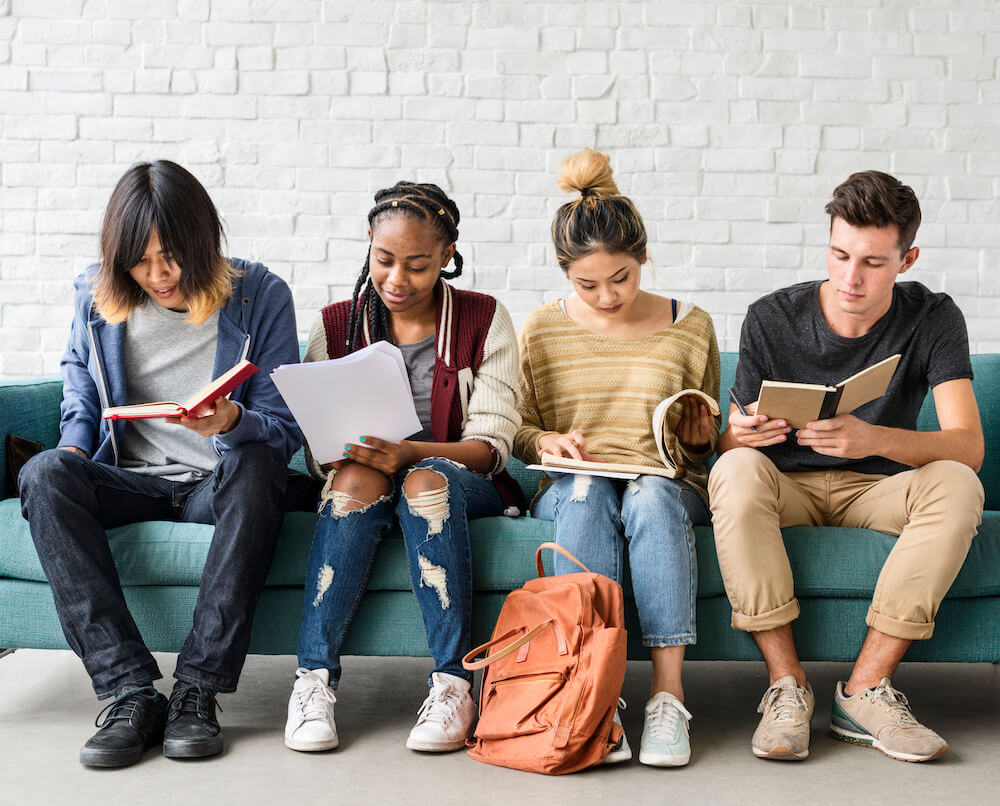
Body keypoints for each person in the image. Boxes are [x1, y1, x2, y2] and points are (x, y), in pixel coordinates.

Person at [18, 160, 302, 767]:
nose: (158, 275)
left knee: (257, 465)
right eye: (140, 261)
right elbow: (79, 384)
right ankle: (128, 690)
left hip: (215, 482)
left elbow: (284, 431)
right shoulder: (96, 293)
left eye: (171, 256)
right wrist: (73, 444)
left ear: (203, 241)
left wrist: (231, 422)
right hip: (128, 478)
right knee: (44, 474)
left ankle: (197, 689)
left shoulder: (261, 294)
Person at [711, 170, 985, 763]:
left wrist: (872, 438)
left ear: (907, 258)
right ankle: (786, 686)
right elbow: (731, 452)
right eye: (839, 254)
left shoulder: (933, 317)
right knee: (732, 472)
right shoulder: (771, 316)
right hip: (785, 485)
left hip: (878, 488)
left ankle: (864, 690)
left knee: (958, 484)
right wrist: (740, 434)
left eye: (873, 262)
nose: (850, 278)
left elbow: (968, 446)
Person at [284, 181, 523, 754]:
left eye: (417, 265)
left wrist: (412, 452)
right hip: (364, 475)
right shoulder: (336, 324)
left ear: (448, 256)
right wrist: (339, 452)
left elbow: (493, 447)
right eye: (384, 259)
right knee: (354, 482)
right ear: (368, 242)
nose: (396, 279)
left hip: (461, 481)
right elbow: (319, 447)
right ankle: (313, 679)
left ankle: (452, 684)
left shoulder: (482, 319)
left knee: (424, 482)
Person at [513, 149, 721, 768]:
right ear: (564, 274)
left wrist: (704, 437)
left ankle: (666, 695)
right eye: (588, 284)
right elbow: (521, 430)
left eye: (622, 278)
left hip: (664, 479)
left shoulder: (692, 324)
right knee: (583, 492)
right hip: (577, 481)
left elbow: (706, 451)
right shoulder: (542, 329)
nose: (607, 295)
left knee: (651, 496)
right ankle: (591, 696)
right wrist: (546, 443)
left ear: (644, 258)